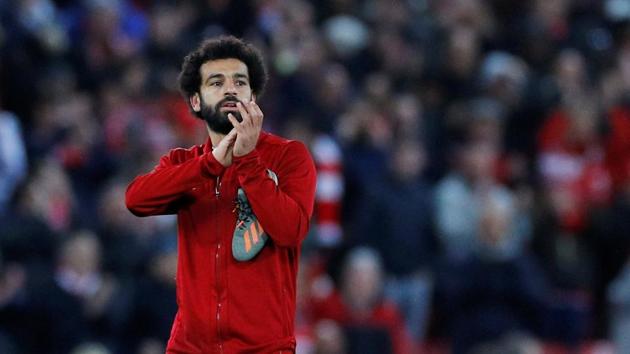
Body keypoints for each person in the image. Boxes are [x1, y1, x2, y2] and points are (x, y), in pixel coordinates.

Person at [125, 36, 317, 353]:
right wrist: (211, 164)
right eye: (216, 82)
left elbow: (291, 231)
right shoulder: (183, 163)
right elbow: (136, 200)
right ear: (196, 101)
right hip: (190, 347)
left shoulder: (288, 157)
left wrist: (248, 163)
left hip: (263, 347)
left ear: (253, 96)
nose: (230, 90)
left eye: (239, 82)